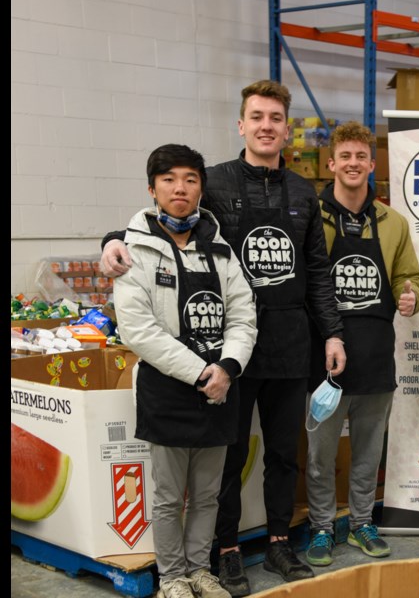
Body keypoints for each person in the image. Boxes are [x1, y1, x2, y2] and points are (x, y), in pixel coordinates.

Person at [101, 80, 346, 597]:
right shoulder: (210, 180)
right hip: (221, 350)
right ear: (241, 125)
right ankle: (226, 551)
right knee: (227, 459)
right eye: (256, 116)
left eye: (275, 118)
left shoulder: (305, 192)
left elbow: (319, 272)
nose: (265, 126)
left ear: (286, 129)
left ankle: (280, 540)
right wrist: (111, 241)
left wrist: (333, 333)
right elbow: (161, 220)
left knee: (283, 452)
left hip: (284, 343)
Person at [113, 144, 258, 598]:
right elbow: (139, 330)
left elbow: (243, 314)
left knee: (209, 494)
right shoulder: (133, 251)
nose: (181, 188)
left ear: (200, 188)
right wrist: (201, 373)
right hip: (169, 389)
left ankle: (200, 570)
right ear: (152, 188)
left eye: (191, 179)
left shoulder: (219, 248)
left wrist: (228, 367)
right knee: (168, 497)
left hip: (219, 387)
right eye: (170, 179)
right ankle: (172, 577)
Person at [303, 121, 419, 567]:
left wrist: (412, 296)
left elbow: (408, 276)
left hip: (375, 356)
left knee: (368, 453)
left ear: (373, 165)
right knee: (320, 455)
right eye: (345, 157)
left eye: (361, 157)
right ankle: (319, 527)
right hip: (325, 362)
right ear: (331, 163)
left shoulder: (393, 223)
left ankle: (360, 523)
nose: (353, 164)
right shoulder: (312, 217)